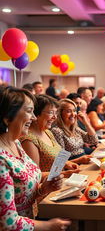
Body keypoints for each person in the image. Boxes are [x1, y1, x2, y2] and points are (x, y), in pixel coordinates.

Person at [0, 86, 70, 231]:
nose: (33, 118)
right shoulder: (2, 159)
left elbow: (22, 195)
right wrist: (48, 226)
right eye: (29, 111)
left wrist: (43, 189)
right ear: (7, 118)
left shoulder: (16, 143)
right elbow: (8, 223)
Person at [20, 95, 87, 177]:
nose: (55, 117)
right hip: (48, 187)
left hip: (60, 181)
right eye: (51, 112)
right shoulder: (29, 140)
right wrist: (64, 174)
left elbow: (59, 159)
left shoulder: (48, 132)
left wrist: (70, 163)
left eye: (56, 113)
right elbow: (34, 176)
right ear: (36, 114)